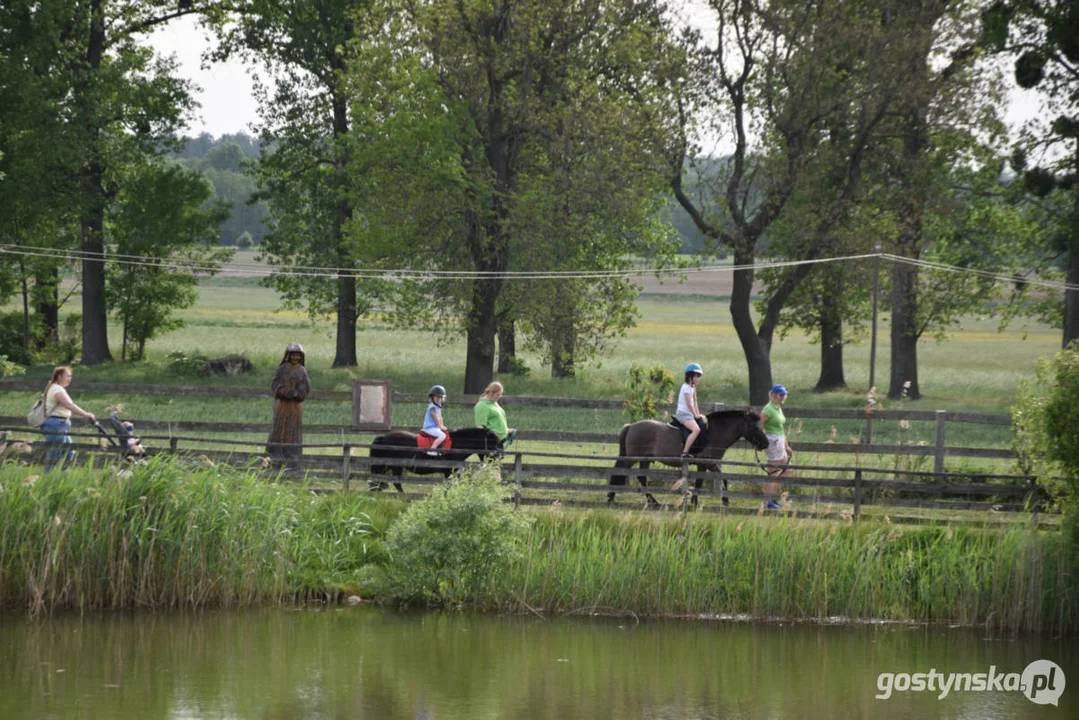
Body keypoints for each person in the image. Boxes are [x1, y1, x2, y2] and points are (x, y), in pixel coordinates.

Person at [41, 366, 96, 472]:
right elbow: (69, 405)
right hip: (56, 424)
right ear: (59, 376)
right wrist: (86, 414)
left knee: (69, 452)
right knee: (54, 454)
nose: (69, 379)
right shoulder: (57, 389)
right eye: (67, 376)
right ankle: (48, 478)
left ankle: (61, 475)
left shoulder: (56, 388)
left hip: (61, 424)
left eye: (70, 376)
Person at [267, 343, 310, 465]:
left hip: (295, 409)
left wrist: (296, 393)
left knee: (293, 432)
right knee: (279, 431)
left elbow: (305, 388)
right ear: (288, 355)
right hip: (282, 407)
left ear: (301, 357)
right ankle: (275, 459)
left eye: (298, 355)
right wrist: (285, 392)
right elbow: (275, 385)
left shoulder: (302, 371)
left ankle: (293, 461)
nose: (295, 358)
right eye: (293, 355)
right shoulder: (282, 369)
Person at [759, 383, 793, 510]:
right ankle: (767, 501)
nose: (783, 397)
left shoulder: (777, 407)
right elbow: (759, 425)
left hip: (779, 441)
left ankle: (771, 497)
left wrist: (786, 446)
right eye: (781, 395)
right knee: (772, 473)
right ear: (773, 395)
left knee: (787, 469)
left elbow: (780, 428)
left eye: (784, 395)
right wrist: (760, 442)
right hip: (772, 441)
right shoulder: (768, 409)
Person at [676, 362, 704, 458]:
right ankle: (685, 453)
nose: (698, 379)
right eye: (696, 376)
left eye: (698, 376)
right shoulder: (686, 388)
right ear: (690, 376)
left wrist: (698, 414)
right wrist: (695, 415)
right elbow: (689, 404)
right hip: (683, 414)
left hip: (689, 414)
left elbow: (695, 403)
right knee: (696, 430)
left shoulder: (692, 388)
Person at [422, 385, 448, 456]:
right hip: (429, 427)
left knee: (444, 434)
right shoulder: (432, 406)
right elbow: (435, 417)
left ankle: (440, 450)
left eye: (440, 397)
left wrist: (442, 426)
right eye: (436, 397)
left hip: (434, 427)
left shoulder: (438, 407)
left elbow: (440, 417)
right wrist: (440, 426)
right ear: (432, 397)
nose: (438, 399)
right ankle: (432, 450)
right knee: (442, 436)